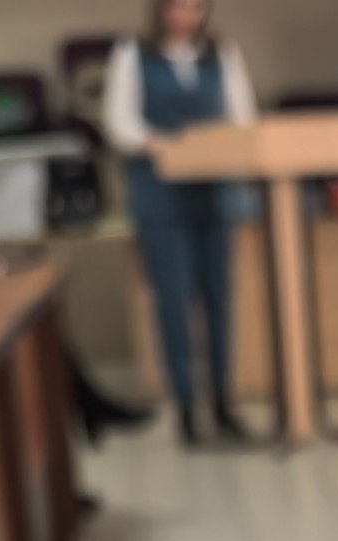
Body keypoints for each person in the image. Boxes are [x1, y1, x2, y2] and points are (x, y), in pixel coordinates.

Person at [104, 0, 256, 446]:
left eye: (195, 7)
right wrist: (159, 144)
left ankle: (223, 402)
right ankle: (187, 408)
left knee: (219, 300)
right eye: (177, 6)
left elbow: (243, 119)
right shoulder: (133, 53)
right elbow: (119, 123)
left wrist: (215, 143)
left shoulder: (221, 53)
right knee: (172, 301)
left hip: (214, 194)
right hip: (161, 196)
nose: (186, 15)